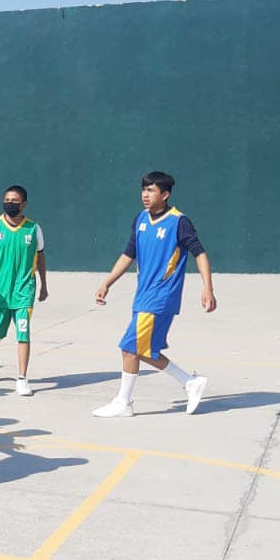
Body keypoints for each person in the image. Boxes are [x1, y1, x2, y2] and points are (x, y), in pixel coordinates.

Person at [92, 170, 215, 418]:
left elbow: (199, 253)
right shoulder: (140, 219)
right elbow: (129, 254)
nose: (145, 195)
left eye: (151, 190)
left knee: (129, 347)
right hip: (143, 296)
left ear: (165, 194)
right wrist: (108, 282)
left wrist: (208, 288)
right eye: (144, 189)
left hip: (161, 297)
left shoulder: (179, 222)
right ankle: (190, 382)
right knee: (145, 350)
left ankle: (124, 402)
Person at [0, 185, 48, 396]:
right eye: (7, 200)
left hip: (23, 291)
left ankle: (22, 378)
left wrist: (43, 285)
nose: (10, 204)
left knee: (23, 334)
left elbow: (40, 258)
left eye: (14, 201)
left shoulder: (33, 229)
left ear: (23, 204)